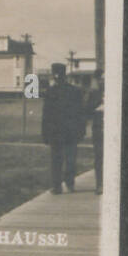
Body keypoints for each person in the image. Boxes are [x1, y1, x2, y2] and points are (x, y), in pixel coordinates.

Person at [41, 63, 83, 194]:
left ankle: (57, 186)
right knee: (70, 158)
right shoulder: (74, 91)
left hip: (56, 131)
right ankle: (69, 184)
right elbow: (80, 113)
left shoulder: (51, 91)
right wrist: (81, 131)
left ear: (54, 75)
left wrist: (45, 134)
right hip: (69, 131)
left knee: (56, 160)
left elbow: (46, 115)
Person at [82, 72, 105, 195]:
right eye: (100, 79)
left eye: (105, 79)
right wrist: (98, 103)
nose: (103, 82)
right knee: (99, 157)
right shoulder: (94, 94)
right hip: (98, 129)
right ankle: (99, 184)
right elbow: (86, 110)